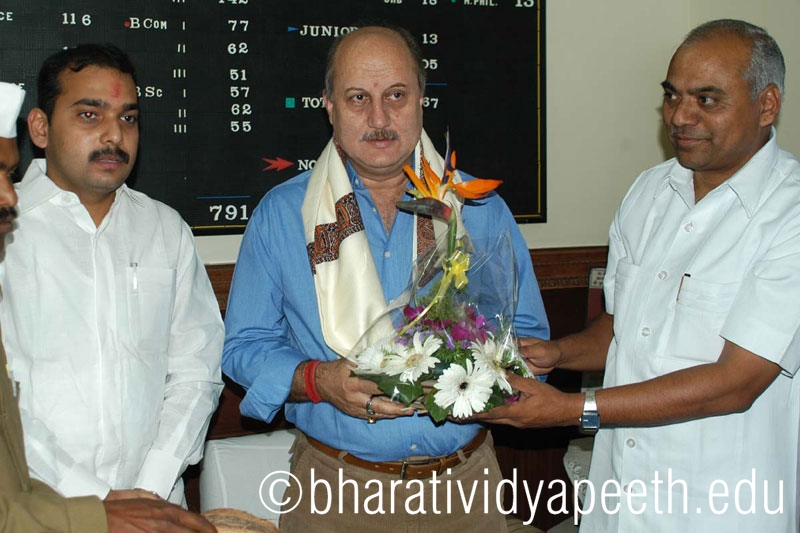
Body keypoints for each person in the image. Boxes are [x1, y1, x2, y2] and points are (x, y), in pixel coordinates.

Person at [475, 19, 799, 532]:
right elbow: (625, 328)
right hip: (619, 500)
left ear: (767, 104)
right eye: (672, 96)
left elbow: (735, 383)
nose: (680, 116)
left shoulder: (789, 214)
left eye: (706, 99)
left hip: (720, 506)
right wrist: (558, 353)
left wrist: (572, 409)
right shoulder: (649, 191)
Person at [222, 25, 549, 532]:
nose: (379, 118)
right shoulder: (282, 215)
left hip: (465, 491)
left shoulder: (479, 208)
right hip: (334, 491)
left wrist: (489, 380)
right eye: (358, 98)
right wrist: (318, 381)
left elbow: (528, 341)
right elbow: (243, 347)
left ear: (422, 99)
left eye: (396, 95)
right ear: (329, 105)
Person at [0, 44, 224, 505]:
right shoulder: (8, 229)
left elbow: (196, 371)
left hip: (155, 503)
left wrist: (149, 489)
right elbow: (8, 405)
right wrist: (97, 500)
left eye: (128, 118)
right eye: (89, 115)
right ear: (40, 127)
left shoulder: (165, 228)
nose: (114, 135)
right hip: (37, 507)